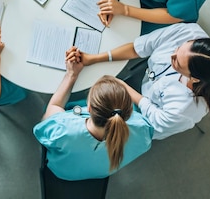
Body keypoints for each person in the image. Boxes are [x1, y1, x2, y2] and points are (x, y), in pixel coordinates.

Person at [68, 23, 210, 139]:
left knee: (89, 113)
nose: (172, 55)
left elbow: (152, 123)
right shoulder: (189, 31)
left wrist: (124, 87)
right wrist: (94, 58)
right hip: (145, 87)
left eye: (177, 62)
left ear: (194, 78)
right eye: (179, 48)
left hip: (146, 119)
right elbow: (139, 48)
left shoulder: (184, 109)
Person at [34, 47, 153, 180]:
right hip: (101, 172)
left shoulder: (63, 129)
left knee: (48, 109)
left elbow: (47, 118)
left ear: (88, 108)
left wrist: (71, 75)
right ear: (128, 110)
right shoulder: (142, 129)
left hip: (65, 173)